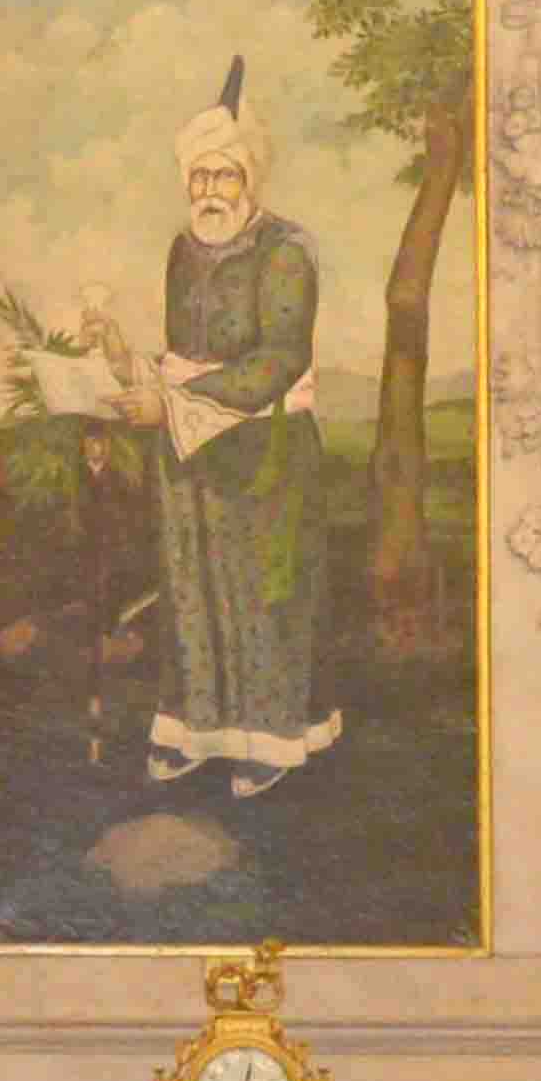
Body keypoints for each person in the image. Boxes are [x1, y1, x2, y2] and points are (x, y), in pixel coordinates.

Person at [141, 76, 341, 786]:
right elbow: (179, 346)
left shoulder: (287, 249)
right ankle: (197, 730)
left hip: (265, 448)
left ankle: (271, 744)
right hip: (187, 447)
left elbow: (282, 358)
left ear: (249, 178)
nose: (210, 189)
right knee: (192, 588)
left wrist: (183, 400)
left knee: (262, 594)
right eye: (199, 175)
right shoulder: (181, 248)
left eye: (223, 173)